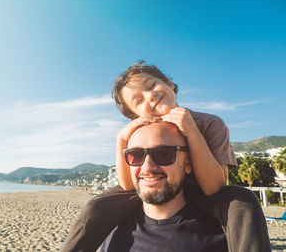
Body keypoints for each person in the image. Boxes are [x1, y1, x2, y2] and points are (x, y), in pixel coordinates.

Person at [61, 61, 270, 252]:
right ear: (136, 115)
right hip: (153, 187)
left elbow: (214, 186)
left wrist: (191, 131)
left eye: (152, 86)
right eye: (139, 100)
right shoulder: (139, 132)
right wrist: (121, 140)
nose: (150, 96)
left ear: (169, 83)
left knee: (242, 201)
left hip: (202, 193)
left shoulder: (210, 123)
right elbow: (127, 187)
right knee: (96, 206)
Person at [99, 122, 228, 252]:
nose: (147, 167)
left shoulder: (222, 237)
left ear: (187, 162)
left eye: (163, 154)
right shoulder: (111, 233)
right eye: (136, 155)